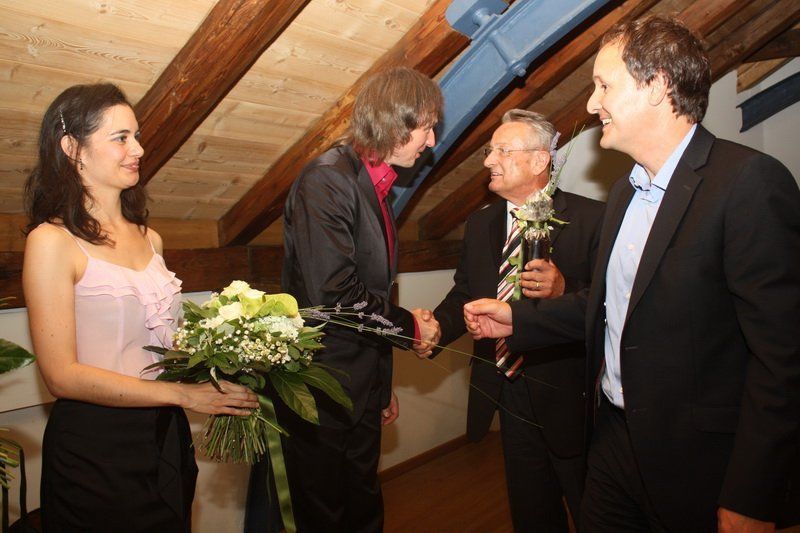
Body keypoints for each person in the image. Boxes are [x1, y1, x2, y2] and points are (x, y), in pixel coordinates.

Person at [464, 15, 800, 532]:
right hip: (613, 440)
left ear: (657, 85)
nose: (591, 104)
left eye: (604, 86)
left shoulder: (748, 182)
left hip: (699, 462)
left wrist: (752, 494)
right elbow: (607, 304)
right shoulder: (624, 192)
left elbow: (782, 358)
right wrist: (518, 319)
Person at [22, 83, 258, 532]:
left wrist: (230, 359)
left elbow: (161, 345)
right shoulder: (51, 241)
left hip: (164, 435)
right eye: (121, 137)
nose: (139, 149)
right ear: (72, 148)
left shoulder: (151, 239)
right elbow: (61, 376)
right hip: (95, 449)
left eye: (137, 136)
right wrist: (185, 395)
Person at [273, 67, 442, 532]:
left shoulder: (375, 184)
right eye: (426, 128)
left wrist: (381, 386)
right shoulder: (326, 179)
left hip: (360, 385)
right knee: (324, 513)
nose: (431, 142)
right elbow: (336, 295)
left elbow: (374, 290)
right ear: (394, 121)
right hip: (321, 385)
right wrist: (411, 328)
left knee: (363, 504)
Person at [429, 109, 603, 531]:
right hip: (507, 389)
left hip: (570, 394)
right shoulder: (480, 223)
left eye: (502, 151)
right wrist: (436, 329)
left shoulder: (593, 218)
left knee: (594, 512)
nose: (489, 161)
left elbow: (609, 303)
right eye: (490, 151)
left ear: (540, 159)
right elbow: (466, 293)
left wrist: (565, 287)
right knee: (531, 512)